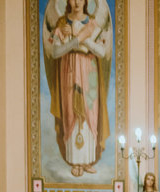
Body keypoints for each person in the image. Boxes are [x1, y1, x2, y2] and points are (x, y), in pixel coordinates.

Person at [43, 0, 112, 176]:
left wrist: (83, 39)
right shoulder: (62, 23)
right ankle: (75, 161)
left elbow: (102, 52)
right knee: (71, 112)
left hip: (90, 74)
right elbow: (56, 52)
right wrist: (76, 41)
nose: (76, 2)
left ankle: (88, 159)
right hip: (69, 72)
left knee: (90, 113)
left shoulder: (92, 23)